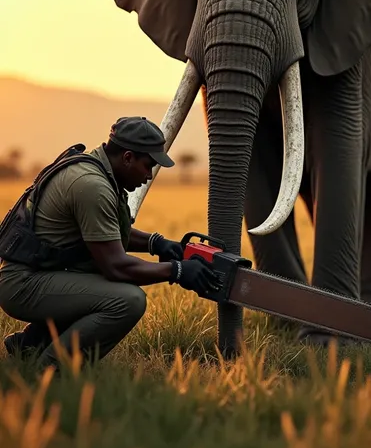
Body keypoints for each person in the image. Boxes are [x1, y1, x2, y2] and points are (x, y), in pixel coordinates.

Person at [0, 116, 220, 370]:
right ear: (127, 157)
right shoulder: (93, 186)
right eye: (147, 165)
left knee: (99, 281)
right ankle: (52, 371)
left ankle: (30, 346)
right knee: (127, 300)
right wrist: (177, 271)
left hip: (37, 273)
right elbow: (116, 266)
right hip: (22, 284)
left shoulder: (94, 169)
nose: (149, 176)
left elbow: (104, 232)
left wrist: (156, 243)